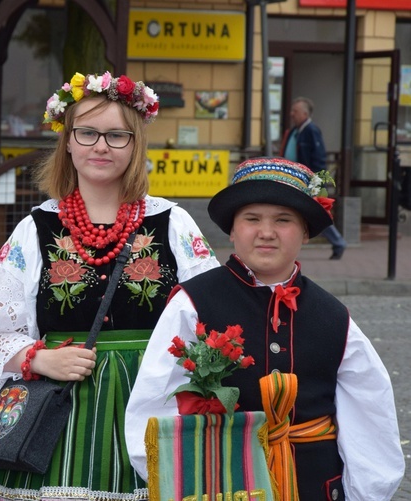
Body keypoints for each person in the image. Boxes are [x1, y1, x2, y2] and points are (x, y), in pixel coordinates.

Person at [0, 71, 220, 500]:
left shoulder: (172, 223)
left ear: (135, 144)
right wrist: (36, 359)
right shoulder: (37, 228)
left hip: (150, 401)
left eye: (117, 135)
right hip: (58, 408)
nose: (100, 146)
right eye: (88, 132)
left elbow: (215, 316)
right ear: (68, 141)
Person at [125, 158, 404, 500]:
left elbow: (369, 414)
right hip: (222, 485)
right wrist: (184, 480)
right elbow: (153, 406)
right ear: (232, 230)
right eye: (252, 219)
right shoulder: (193, 303)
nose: (267, 232)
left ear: (304, 231)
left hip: (315, 487)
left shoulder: (333, 316)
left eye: (283, 220)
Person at [281, 97, 347, 260]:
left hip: (308, 181)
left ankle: (338, 242)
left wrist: (315, 182)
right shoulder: (296, 131)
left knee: (317, 212)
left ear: (304, 113)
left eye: (294, 111)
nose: (291, 114)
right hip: (295, 179)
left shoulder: (311, 130)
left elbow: (318, 159)